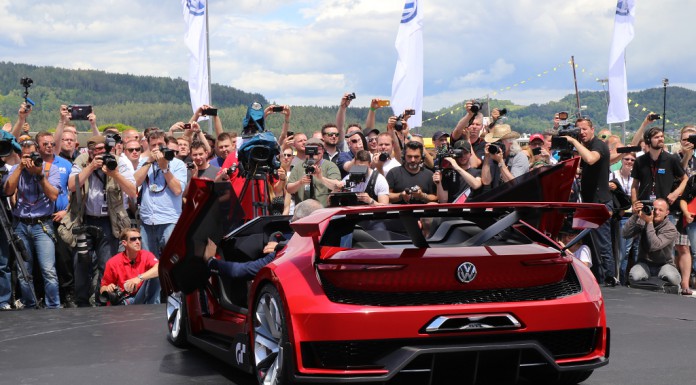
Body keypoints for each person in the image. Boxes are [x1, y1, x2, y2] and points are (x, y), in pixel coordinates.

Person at [66, 135, 137, 307]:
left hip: (109, 221)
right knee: (81, 261)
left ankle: (101, 299)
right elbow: (71, 185)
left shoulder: (118, 162)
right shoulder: (82, 161)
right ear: (89, 151)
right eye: (96, 150)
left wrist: (115, 174)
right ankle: (81, 301)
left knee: (107, 264)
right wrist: (90, 167)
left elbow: (133, 191)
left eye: (103, 149)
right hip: (86, 219)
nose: (100, 153)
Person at [4, 139, 61, 309]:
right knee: (23, 271)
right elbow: (7, 191)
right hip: (21, 224)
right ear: (21, 156)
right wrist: (20, 168)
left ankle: (53, 306)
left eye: (34, 155)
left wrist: (39, 175)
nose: (31, 159)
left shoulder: (51, 169)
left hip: (42, 224)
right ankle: (29, 305)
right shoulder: (15, 169)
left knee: (48, 271)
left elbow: (53, 196)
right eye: (27, 156)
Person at [203, 199, 323, 280]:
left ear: (300, 223)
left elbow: (244, 270)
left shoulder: (288, 251)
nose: (290, 226)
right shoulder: (331, 242)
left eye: (292, 222)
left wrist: (211, 261)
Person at [563, 118, 615, 286]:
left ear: (592, 129)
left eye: (584, 129)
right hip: (588, 203)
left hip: (599, 203)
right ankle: (598, 278)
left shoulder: (598, 144)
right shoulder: (588, 146)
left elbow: (591, 159)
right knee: (591, 243)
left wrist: (573, 141)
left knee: (602, 244)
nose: (582, 133)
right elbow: (587, 167)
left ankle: (609, 279)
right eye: (579, 130)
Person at [35, 132, 75, 307]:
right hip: (40, 218)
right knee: (42, 262)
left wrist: (66, 211)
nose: (49, 146)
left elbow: (74, 192)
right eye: (45, 144)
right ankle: (41, 295)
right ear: (38, 147)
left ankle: (67, 295)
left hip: (60, 217)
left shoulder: (65, 164)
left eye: (52, 143)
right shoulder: (33, 164)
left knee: (64, 259)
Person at [134, 130, 187, 257]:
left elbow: (178, 190)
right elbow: (135, 182)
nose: (157, 148)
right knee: (149, 261)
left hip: (169, 221)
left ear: (166, 144)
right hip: (147, 222)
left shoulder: (178, 164)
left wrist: (164, 168)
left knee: (171, 260)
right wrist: (149, 162)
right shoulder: (144, 162)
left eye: (160, 144)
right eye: (153, 145)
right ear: (148, 146)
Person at [623, 199, 680, 287]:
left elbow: (654, 246)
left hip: (664, 264)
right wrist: (635, 215)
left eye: (660, 210)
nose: (656, 212)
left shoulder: (670, 228)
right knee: (634, 277)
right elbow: (625, 234)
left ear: (667, 212)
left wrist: (649, 223)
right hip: (644, 263)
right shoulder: (643, 220)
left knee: (672, 278)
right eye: (655, 209)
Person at [99, 228, 160, 305]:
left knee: (156, 275)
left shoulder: (146, 255)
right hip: (125, 298)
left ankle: (153, 308)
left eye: (139, 238)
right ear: (124, 243)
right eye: (133, 239)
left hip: (142, 296)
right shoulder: (113, 262)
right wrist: (108, 288)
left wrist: (139, 278)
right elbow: (102, 288)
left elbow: (159, 268)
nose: (138, 242)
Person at [286, 138, 342, 208]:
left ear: (323, 151)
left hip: (324, 210)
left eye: (317, 149)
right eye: (310, 148)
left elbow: (337, 186)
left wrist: (321, 178)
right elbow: (289, 189)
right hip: (303, 210)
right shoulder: (299, 166)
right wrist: (300, 182)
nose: (314, 152)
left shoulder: (329, 166)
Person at [609, 153, 637, 285]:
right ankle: (617, 278)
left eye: (632, 159)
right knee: (619, 251)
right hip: (619, 218)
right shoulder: (613, 175)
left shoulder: (635, 179)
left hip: (632, 217)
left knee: (627, 251)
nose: (629, 162)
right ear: (621, 160)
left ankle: (623, 278)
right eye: (627, 159)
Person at [481, 124, 527, 190]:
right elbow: (486, 181)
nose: (496, 145)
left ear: (510, 142)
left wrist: (500, 162)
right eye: (494, 142)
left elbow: (514, 184)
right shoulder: (494, 156)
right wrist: (487, 158)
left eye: (499, 142)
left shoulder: (519, 157)